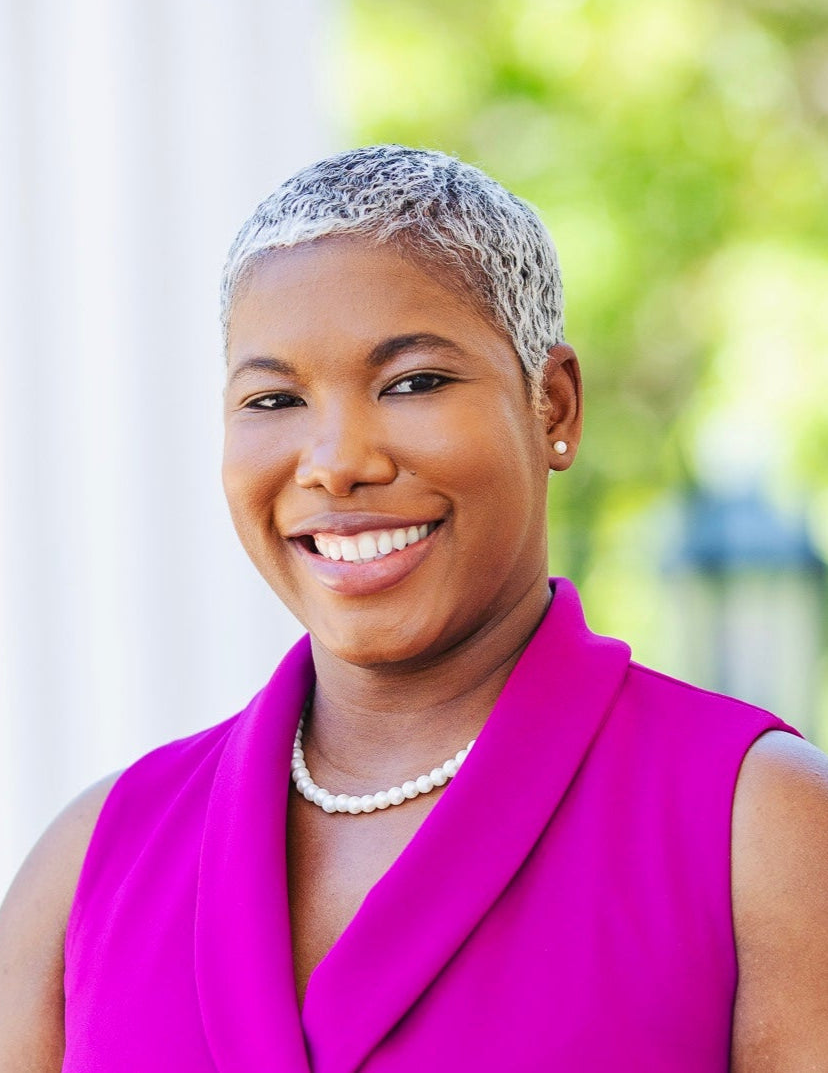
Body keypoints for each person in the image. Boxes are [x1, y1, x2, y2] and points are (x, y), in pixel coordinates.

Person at [1, 145, 828, 1072]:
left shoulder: (757, 826)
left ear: (552, 404)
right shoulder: (92, 864)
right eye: (273, 398)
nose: (335, 460)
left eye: (414, 383)